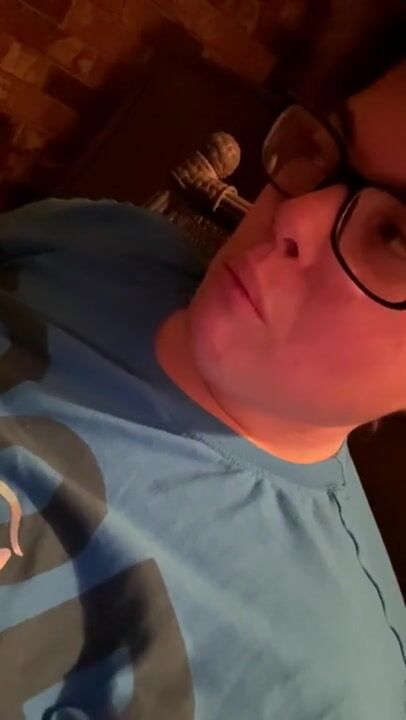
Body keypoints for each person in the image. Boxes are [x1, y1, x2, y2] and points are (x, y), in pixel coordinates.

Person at [0, 54, 404, 720]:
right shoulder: (105, 240)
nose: (293, 217)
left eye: (393, 236)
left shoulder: (324, 687)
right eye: (324, 151)